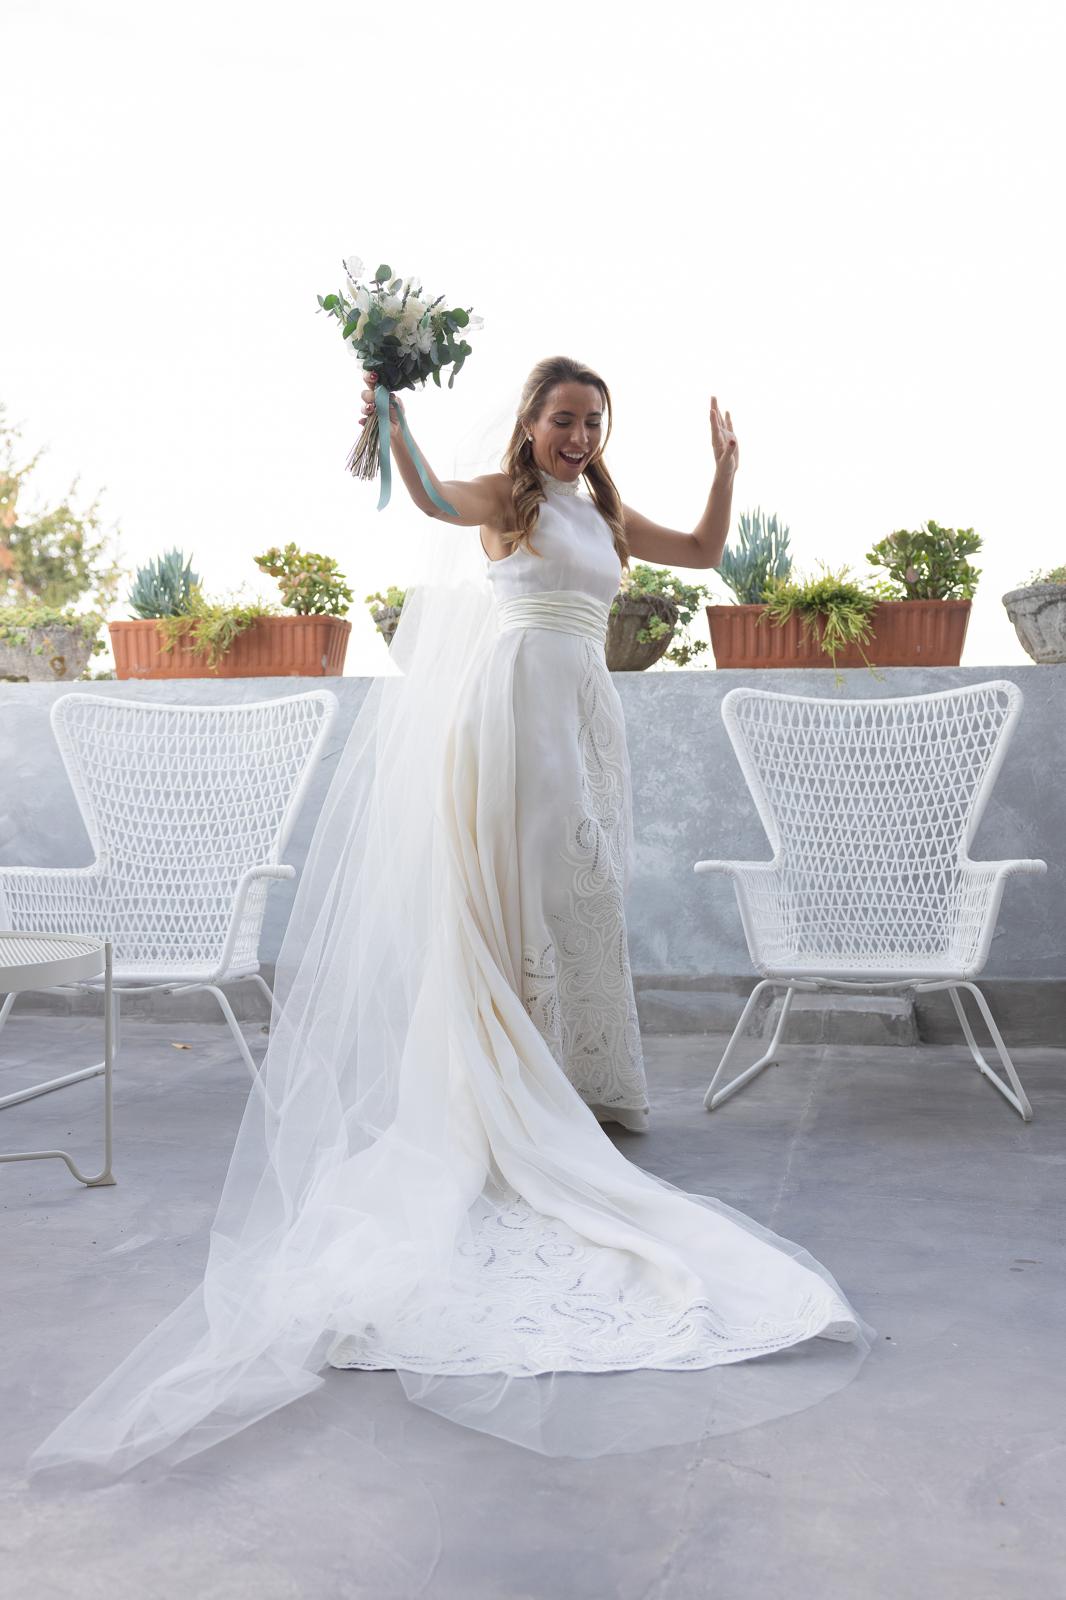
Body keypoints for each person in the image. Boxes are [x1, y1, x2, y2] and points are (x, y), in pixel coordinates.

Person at [31, 357, 869, 1480]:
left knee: (582, 896)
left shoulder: (600, 510)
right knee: (525, 891)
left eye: (593, 421)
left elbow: (709, 553)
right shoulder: (505, 502)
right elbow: (426, 496)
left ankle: (573, 1082)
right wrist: (393, 414)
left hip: (582, 706)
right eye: (563, 418)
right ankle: (512, 1088)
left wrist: (724, 469)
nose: (579, 435)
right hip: (518, 710)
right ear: (530, 422)